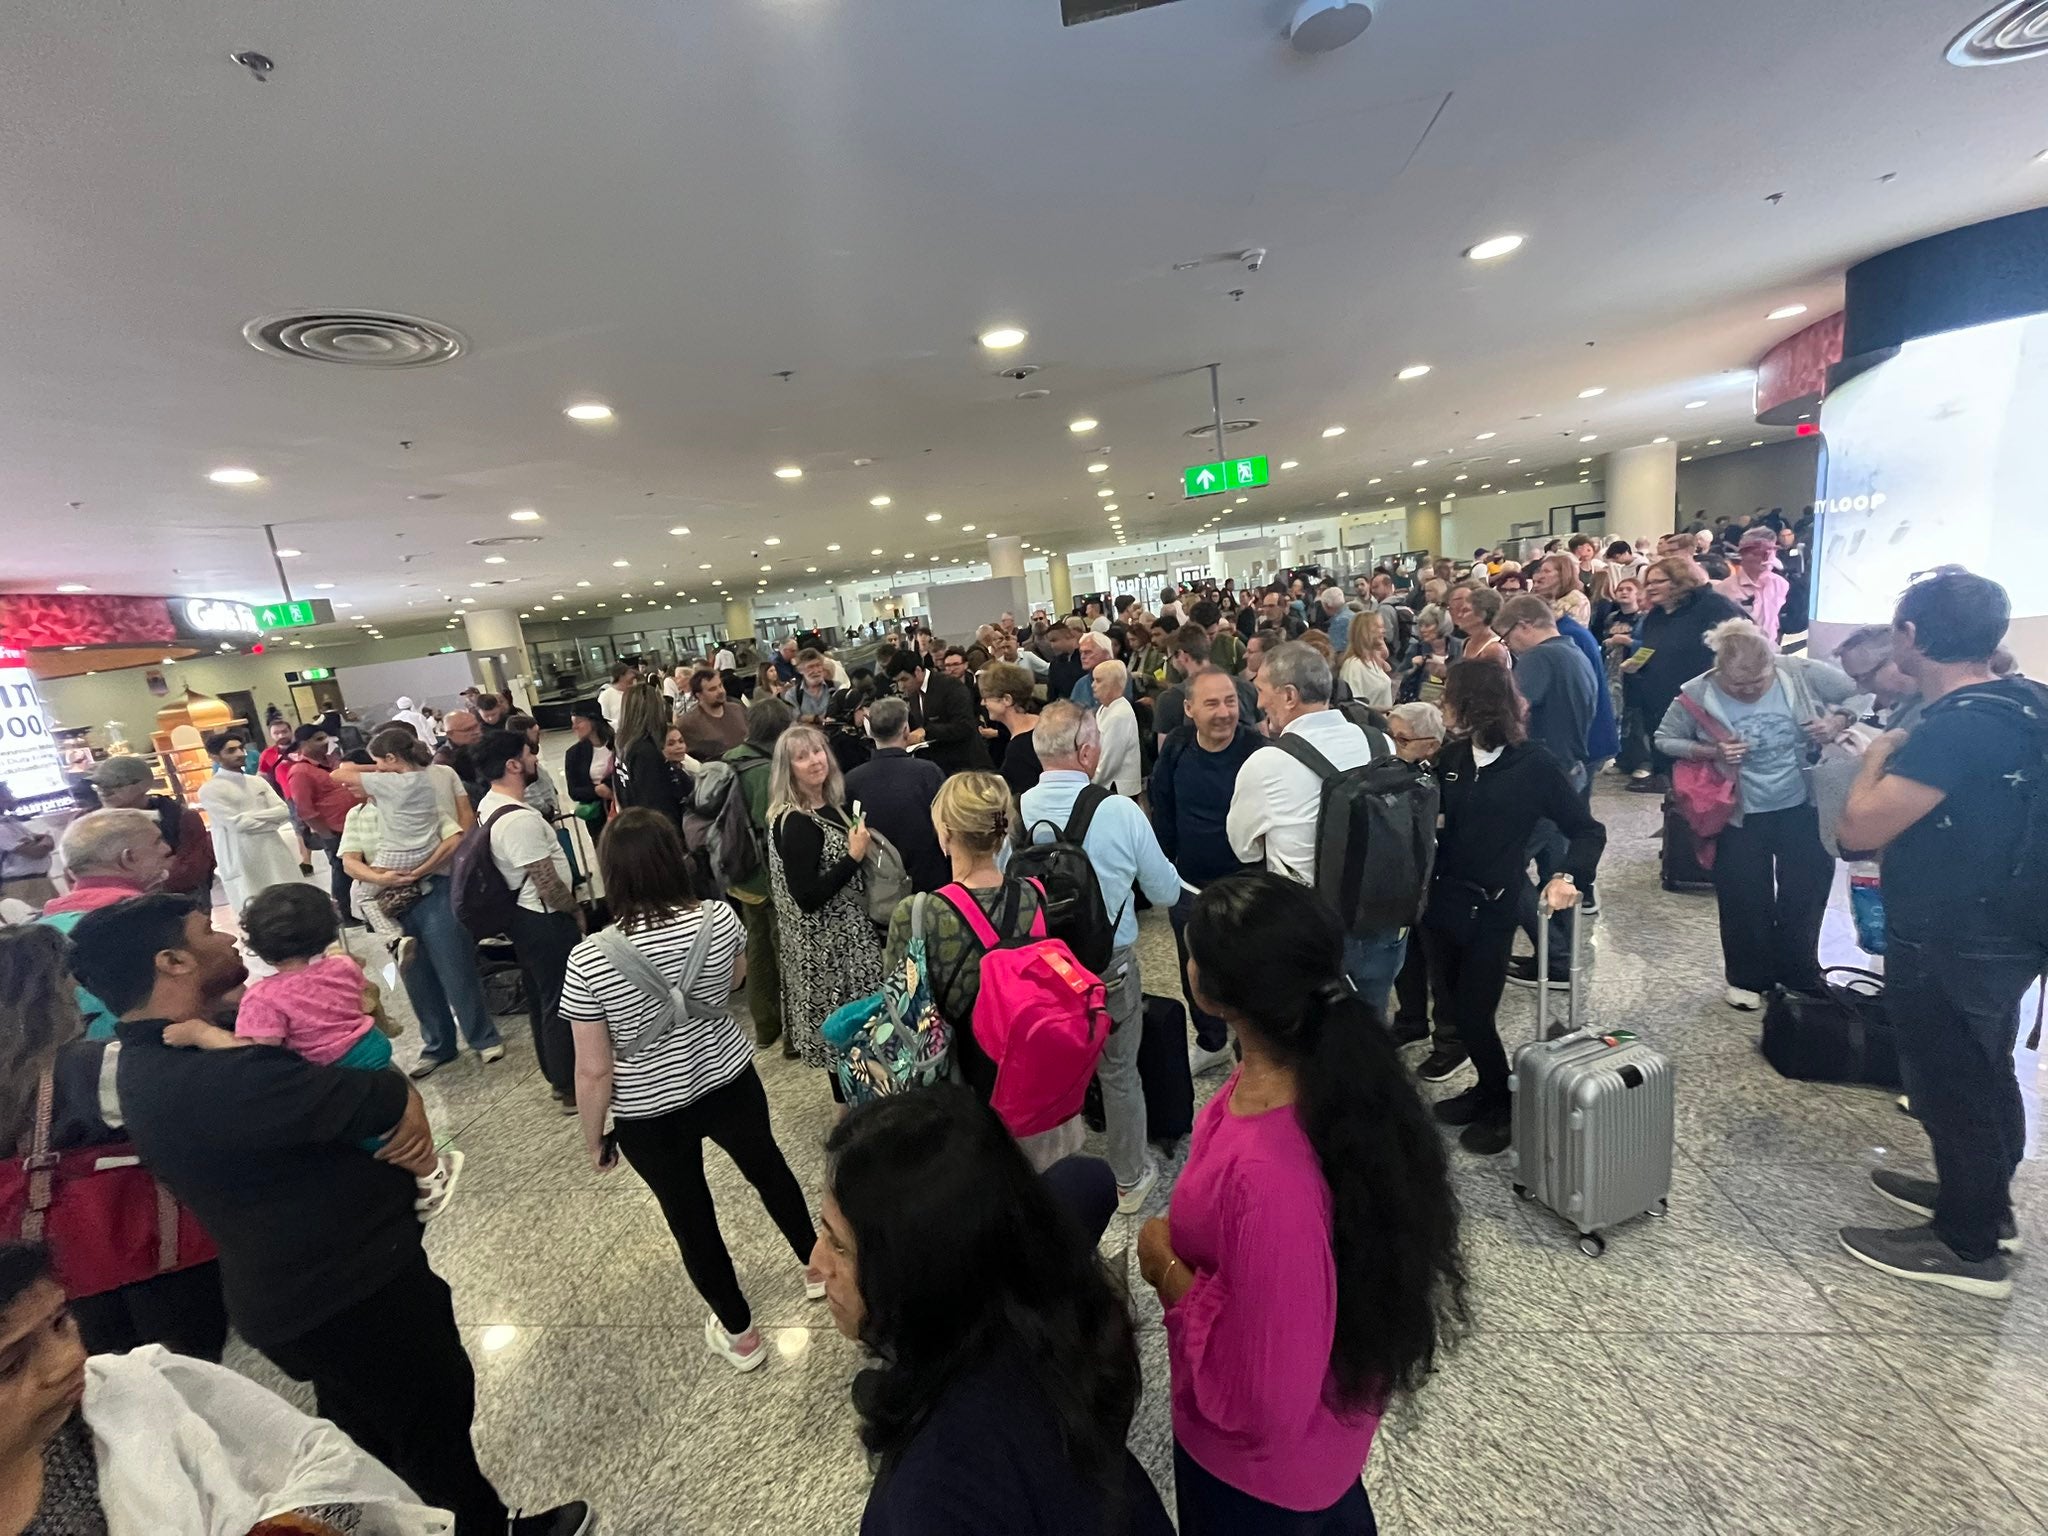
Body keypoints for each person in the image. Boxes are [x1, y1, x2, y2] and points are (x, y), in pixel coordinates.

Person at [66, 895, 595, 1534]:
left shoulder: (164, 1056)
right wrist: (399, 1096)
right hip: (350, 1288)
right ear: (173, 960)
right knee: (430, 1423)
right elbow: (372, 1092)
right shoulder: (221, 1078)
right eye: (209, 932)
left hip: (301, 1290)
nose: (232, 939)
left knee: (368, 1426)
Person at [1139, 872, 1466, 1533]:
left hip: (1260, 1481)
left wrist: (1164, 1266)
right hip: (1322, 1439)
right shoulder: (1329, 1083)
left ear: (1207, 990)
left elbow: (1265, 1397)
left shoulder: (1267, 1182)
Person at [1833, 574, 2048, 1297]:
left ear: (1911, 636)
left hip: (1953, 932)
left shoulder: (1955, 726)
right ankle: (1983, 1203)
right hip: (2010, 928)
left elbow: (1857, 831)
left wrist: (1871, 763)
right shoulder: (2029, 700)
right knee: (1985, 1072)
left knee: (1953, 1083)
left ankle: (1967, 1245)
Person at [820, 1095, 1172, 1536]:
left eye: (839, 1246)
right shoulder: (1046, 1298)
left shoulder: (933, 1495)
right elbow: (1090, 1177)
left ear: (915, 1271)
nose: (816, 1265)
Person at [560, 809, 821, 1372]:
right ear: (671, 860)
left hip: (650, 1110)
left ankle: (741, 1334)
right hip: (728, 1077)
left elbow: (593, 1070)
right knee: (769, 1170)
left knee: (690, 1214)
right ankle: (818, 1267)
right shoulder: (719, 919)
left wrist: (594, 1136)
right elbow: (731, 983)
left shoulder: (589, 957)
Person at [0, 1241, 461, 1533]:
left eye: (61, 1323)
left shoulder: (136, 1385)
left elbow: (315, 1454)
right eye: (10, 1366)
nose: (69, 1360)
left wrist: (291, 1523)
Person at [0, 926, 228, 1362]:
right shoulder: (94, 1067)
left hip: (44, 1279)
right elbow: (209, 1103)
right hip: (146, 1260)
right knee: (184, 1368)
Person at [1423, 662, 1605, 1153]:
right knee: (1455, 1009)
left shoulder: (1534, 764)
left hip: (1493, 906)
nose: (1442, 707)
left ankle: (1502, 1099)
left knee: (1476, 1012)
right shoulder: (1451, 757)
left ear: (1473, 704)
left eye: (1449, 698)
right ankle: (1486, 1086)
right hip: (1443, 902)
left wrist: (1568, 876)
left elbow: (1588, 829)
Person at [212, 883, 460, 1215]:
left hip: (335, 1068)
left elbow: (258, 1049)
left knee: (380, 1133)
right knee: (394, 1112)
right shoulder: (342, 967)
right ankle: (428, 1165)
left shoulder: (263, 997)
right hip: (368, 1047)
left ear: (256, 944)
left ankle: (430, 1173)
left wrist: (201, 1035)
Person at [1020, 703, 1182, 1212]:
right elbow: (1164, 892)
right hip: (1107, 963)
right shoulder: (1118, 811)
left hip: (1043, 964)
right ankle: (1129, 1179)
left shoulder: (1017, 808)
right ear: (1087, 751)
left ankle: (1052, 1169)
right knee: (1119, 1069)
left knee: (1052, 1066)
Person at [1654, 618, 1859, 1009]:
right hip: (1739, 809)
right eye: (1737, 686)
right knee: (1743, 894)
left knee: (1807, 888)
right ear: (1718, 671)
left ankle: (1799, 971)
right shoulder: (1695, 693)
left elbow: (1860, 693)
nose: (1748, 691)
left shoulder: (1798, 672)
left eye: (1758, 682)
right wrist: (1711, 751)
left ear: (1774, 664)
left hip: (1803, 802)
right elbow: (1665, 739)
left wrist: (1837, 720)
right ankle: (1747, 978)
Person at [1227, 643, 1407, 1014]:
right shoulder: (1380, 741)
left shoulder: (1267, 763)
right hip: (1385, 917)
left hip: (1312, 927)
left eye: (1263, 690)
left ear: (1289, 696)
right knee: (1370, 1024)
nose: (1259, 703)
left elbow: (1243, 849)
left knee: (1311, 1038)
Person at [336, 775, 503, 1078]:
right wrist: (382, 879)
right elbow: (350, 861)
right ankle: (438, 1045)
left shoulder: (415, 805)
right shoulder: (357, 815)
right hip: (390, 899)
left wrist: (420, 870)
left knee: (456, 967)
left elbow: (454, 838)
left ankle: (483, 1037)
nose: (352, 788)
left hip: (433, 890)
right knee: (415, 974)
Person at [1150, 671, 1263, 1078]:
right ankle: (1211, 1041)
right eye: (1212, 704)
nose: (1224, 713)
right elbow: (1162, 807)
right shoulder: (1178, 746)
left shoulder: (1257, 750)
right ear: (1189, 710)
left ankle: (1255, 1049)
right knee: (1193, 970)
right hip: (1189, 885)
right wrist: (1164, 868)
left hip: (1246, 889)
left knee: (1251, 973)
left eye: (1230, 701)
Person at [769, 724, 885, 1101]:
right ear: (788, 769)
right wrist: (853, 858)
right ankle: (852, 1110)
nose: (814, 761)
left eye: (818, 751)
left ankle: (861, 1103)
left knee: (855, 1035)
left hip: (846, 942)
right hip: (830, 954)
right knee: (845, 1034)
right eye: (801, 757)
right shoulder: (798, 823)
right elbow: (806, 896)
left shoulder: (828, 804)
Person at [475, 729, 584, 1109]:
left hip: (524, 919)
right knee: (562, 1003)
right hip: (544, 919)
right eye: (529, 753)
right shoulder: (518, 820)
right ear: (512, 764)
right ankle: (569, 1084)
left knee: (542, 998)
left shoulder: (489, 805)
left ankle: (557, 1074)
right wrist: (576, 911)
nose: (536, 759)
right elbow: (546, 881)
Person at [330, 728, 473, 965]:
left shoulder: (391, 784)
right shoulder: (424, 779)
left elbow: (338, 774)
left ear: (391, 758)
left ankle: (394, 939)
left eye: (379, 762)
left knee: (360, 896)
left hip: (401, 853)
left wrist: (376, 771)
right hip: (427, 849)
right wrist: (421, 870)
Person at [1626, 555, 1746, 791]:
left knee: (1706, 778)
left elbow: (1743, 647)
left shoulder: (1714, 606)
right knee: (1671, 769)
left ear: (1680, 581)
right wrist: (1637, 662)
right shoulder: (1656, 615)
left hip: (1705, 704)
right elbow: (1653, 647)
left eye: (1658, 581)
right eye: (1648, 582)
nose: (1650, 587)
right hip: (1662, 702)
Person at [724, 698, 794, 1053]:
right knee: (787, 952)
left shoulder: (729, 759)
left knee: (757, 948)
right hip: (770, 876)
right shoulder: (769, 771)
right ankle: (795, 1035)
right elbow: (776, 826)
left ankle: (766, 1027)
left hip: (740, 873)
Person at [845, 696, 948, 893]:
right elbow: (945, 825)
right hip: (932, 881)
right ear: (906, 729)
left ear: (870, 732)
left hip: (880, 886)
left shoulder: (852, 781)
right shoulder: (928, 772)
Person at [193, 732, 300, 912]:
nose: (240, 754)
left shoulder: (257, 782)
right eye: (231, 750)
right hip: (240, 853)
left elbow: (283, 811)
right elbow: (237, 824)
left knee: (289, 898)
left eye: (241, 748)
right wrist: (270, 821)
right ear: (214, 756)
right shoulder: (210, 790)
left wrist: (253, 819)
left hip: (273, 847)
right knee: (255, 906)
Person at [88, 755, 214, 902]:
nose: (104, 792)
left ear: (143, 785)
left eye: (115, 785)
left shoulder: (180, 818)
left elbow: (190, 871)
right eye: (98, 786)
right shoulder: (88, 824)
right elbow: (83, 873)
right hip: (115, 907)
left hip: (177, 905)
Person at [283, 725, 365, 919]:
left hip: (354, 825)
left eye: (325, 738)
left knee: (361, 870)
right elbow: (305, 810)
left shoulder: (333, 762)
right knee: (341, 872)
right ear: (304, 744)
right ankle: (342, 915)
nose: (325, 742)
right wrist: (327, 836)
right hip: (334, 830)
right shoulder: (301, 771)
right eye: (318, 739)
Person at [886, 650, 991, 777]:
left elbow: (965, 725)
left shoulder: (950, 686)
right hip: (940, 768)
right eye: (897, 682)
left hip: (968, 767)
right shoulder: (913, 694)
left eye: (904, 679)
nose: (901, 686)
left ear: (918, 671)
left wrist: (927, 731)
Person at [1153, 627, 1260, 747]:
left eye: (1171, 658)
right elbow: (1263, 736)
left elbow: (1165, 753)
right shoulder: (1247, 687)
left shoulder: (1168, 700)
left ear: (1181, 655)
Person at [612, 681, 686, 827]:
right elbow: (655, 801)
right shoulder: (646, 752)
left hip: (633, 824)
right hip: (656, 831)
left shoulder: (621, 746)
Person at [1715, 528, 1794, 645]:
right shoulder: (1725, 588)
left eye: (1770, 552)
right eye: (1758, 553)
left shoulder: (1780, 584)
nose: (1766, 559)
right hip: (1737, 651)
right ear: (1743, 555)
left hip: (1770, 650)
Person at [979, 662, 1045, 798]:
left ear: (1007, 700)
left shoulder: (1019, 748)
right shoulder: (1042, 723)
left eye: (986, 698)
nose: (983, 703)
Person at [1091, 659, 1142, 797]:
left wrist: (1090, 783)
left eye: (1098, 681)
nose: (1093, 685)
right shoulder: (1105, 708)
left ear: (1114, 684)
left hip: (1118, 788)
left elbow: (1110, 761)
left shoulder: (1119, 714)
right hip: (1107, 785)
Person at [0, 786, 56, 911]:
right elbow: (37, 852)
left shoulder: (10, 822)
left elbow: (46, 841)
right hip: (23, 886)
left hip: (39, 881)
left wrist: (44, 841)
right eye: (8, 794)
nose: (13, 797)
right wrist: (43, 842)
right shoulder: (2, 829)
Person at [563, 702, 617, 830]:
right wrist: (597, 791)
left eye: (578, 722)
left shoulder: (618, 744)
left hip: (624, 809)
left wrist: (609, 786)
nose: (574, 727)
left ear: (592, 721)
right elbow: (574, 791)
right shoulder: (574, 754)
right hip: (598, 818)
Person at [679, 667, 748, 757]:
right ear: (699, 695)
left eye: (720, 685)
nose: (720, 691)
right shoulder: (687, 723)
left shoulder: (737, 709)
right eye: (712, 689)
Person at [1336, 609, 1395, 711]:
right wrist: (1386, 709)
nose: (1383, 631)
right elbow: (1353, 705)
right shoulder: (1354, 665)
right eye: (1378, 627)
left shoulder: (1374, 662)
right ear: (1365, 632)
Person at [1447, 582, 1508, 667]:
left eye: (1465, 611)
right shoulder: (1466, 643)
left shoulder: (1494, 649)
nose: (1459, 615)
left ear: (1482, 614)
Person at [597, 659, 637, 730]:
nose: (633, 675)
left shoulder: (635, 692)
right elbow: (604, 721)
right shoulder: (605, 696)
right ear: (621, 676)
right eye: (629, 673)